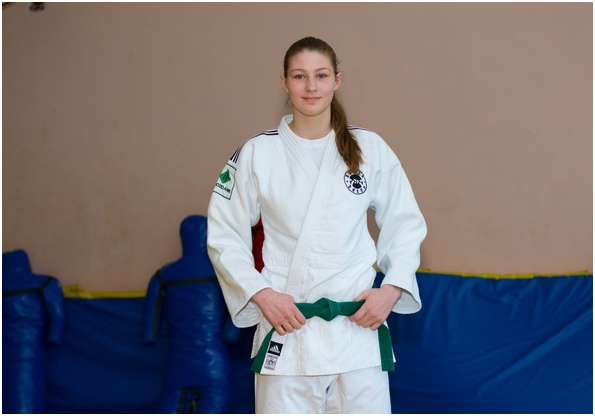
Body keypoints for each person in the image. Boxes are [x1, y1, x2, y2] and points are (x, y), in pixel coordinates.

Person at [207, 36, 427, 414]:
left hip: (356, 331)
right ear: (284, 82)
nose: (311, 86)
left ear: (337, 80)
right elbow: (223, 235)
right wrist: (262, 294)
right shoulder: (258, 153)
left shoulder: (370, 148)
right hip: (289, 329)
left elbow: (405, 223)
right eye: (300, 76)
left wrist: (391, 289)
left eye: (321, 75)